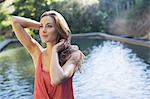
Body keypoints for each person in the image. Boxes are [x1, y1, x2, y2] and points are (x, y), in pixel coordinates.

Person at [11, 10, 85, 99]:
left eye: (49, 26)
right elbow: (15, 21)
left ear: (59, 29)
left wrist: (54, 51)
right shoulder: (37, 53)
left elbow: (56, 80)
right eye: (42, 27)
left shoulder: (74, 55)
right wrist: (42, 25)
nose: (43, 30)